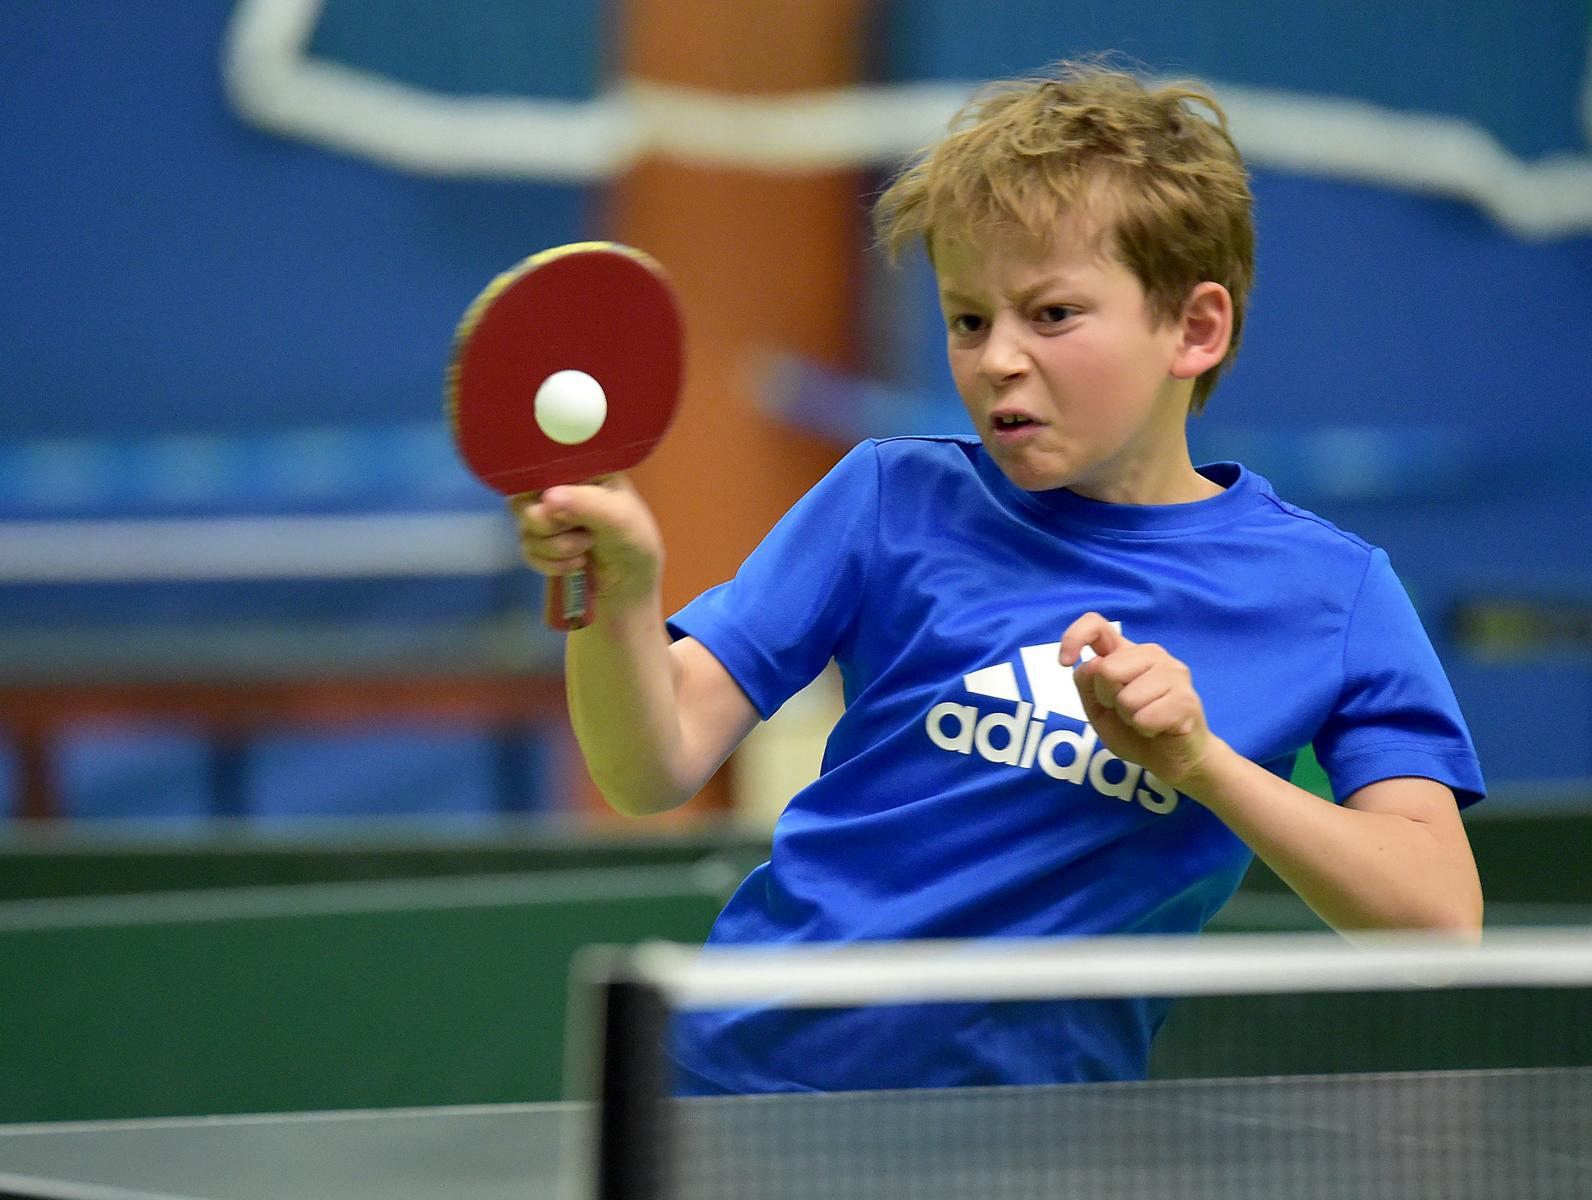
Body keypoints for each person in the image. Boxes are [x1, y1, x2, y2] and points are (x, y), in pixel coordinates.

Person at [512, 61, 1485, 1094]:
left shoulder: (1332, 595)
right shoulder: (889, 498)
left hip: (1032, 1142)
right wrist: (620, 599)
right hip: (744, 1094)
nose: (996, 360)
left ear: (1194, 328)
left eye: (1051, 314)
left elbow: (1437, 925)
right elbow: (649, 766)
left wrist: (1203, 764)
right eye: (969, 320)